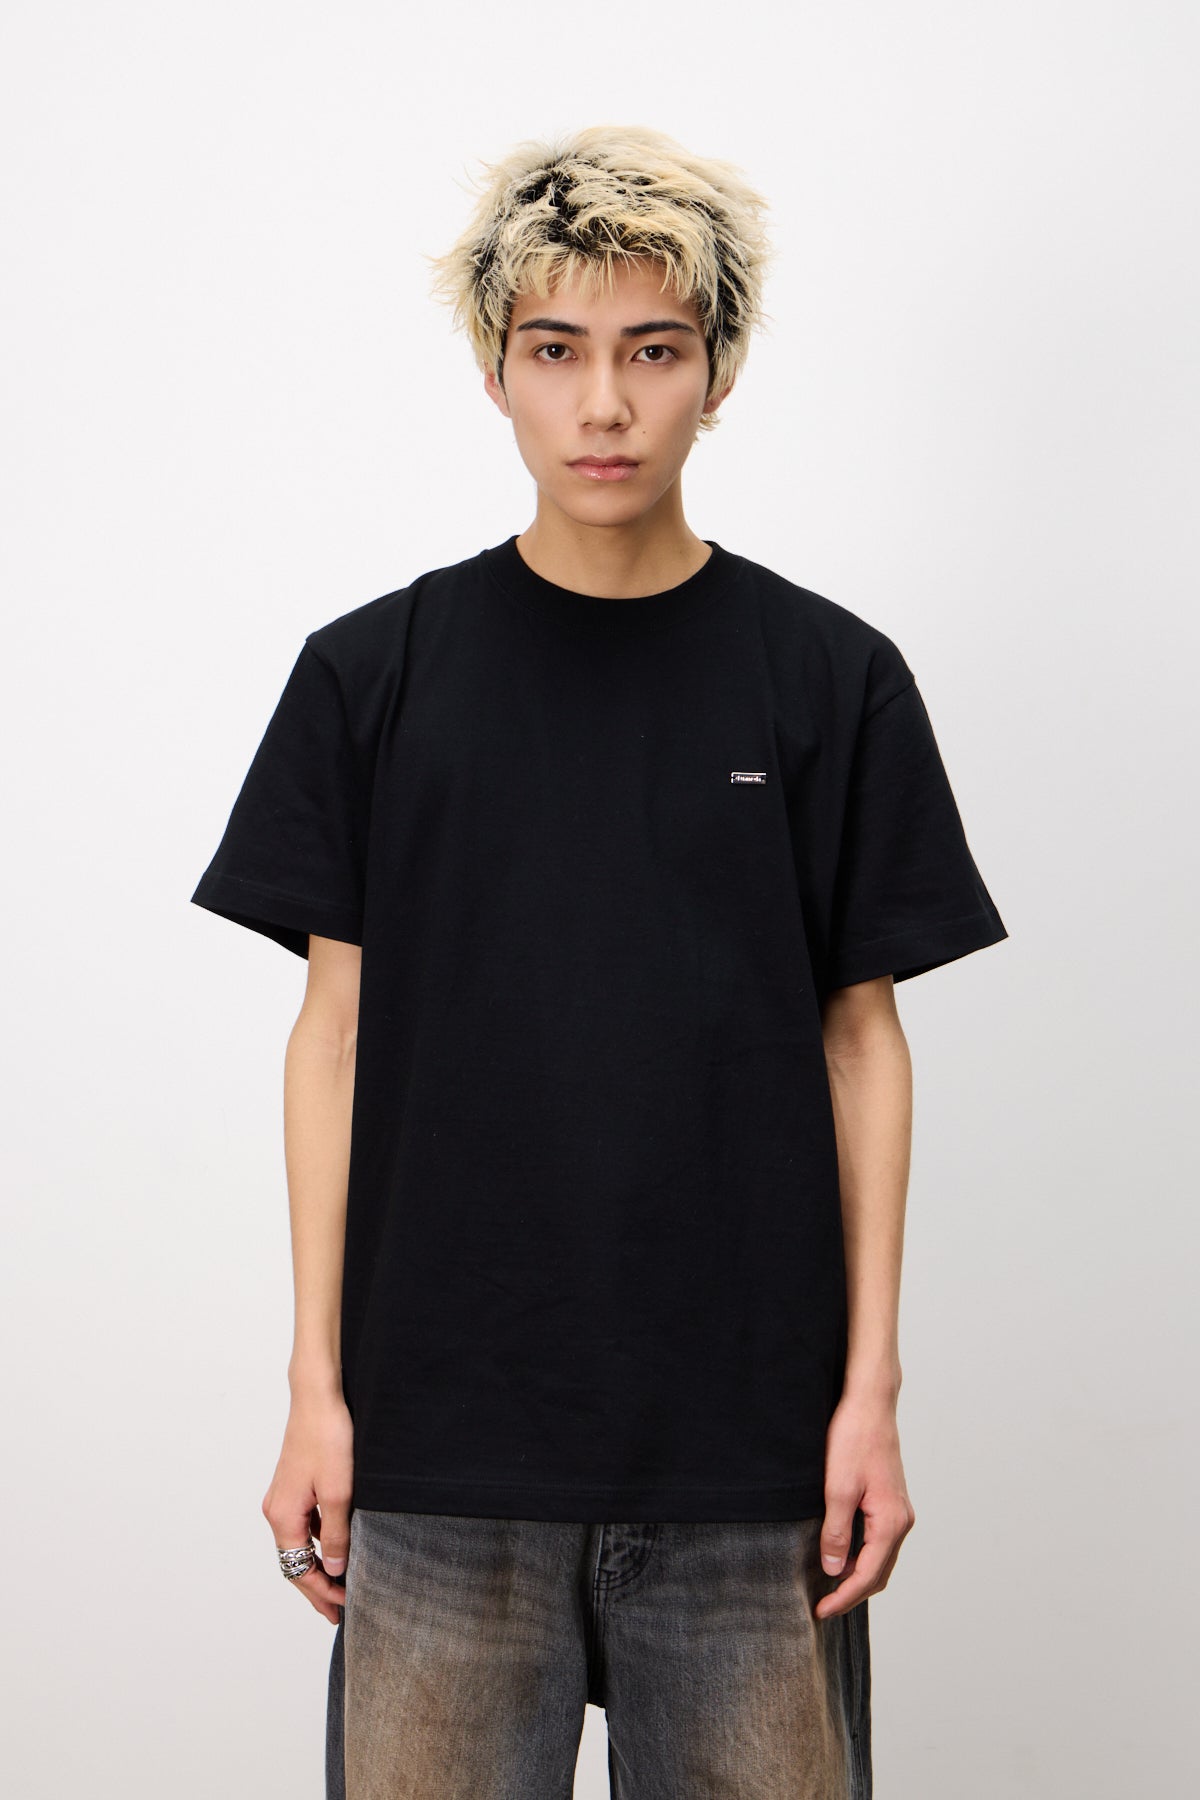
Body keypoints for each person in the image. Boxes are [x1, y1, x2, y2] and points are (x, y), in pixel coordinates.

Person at [191, 124, 1008, 1800]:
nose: (605, 405)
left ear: (721, 371)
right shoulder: (374, 675)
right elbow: (331, 1038)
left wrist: (869, 1395)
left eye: (654, 350)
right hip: (439, 1448)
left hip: (755, 1462)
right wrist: (313, 1389)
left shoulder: (829, 678)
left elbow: (862, 1040)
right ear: (496, 373)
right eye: (557, 352)